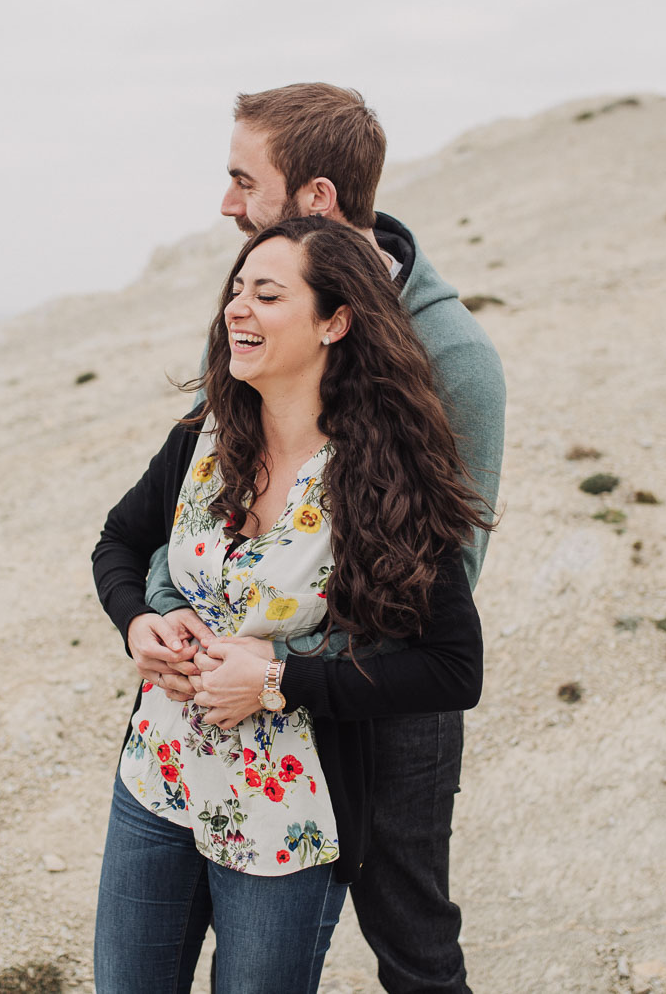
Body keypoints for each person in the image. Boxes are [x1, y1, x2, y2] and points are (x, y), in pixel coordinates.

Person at [128, 83, 505, 994]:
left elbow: (439, 583)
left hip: (380, 709)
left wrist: (278, 667)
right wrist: (167, 613)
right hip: (225, 696)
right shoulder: (264, 316)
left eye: (242, 180)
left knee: (412, 941)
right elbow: (188, 502)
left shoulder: (454, 358)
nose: (227, 204)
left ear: (318, 200)